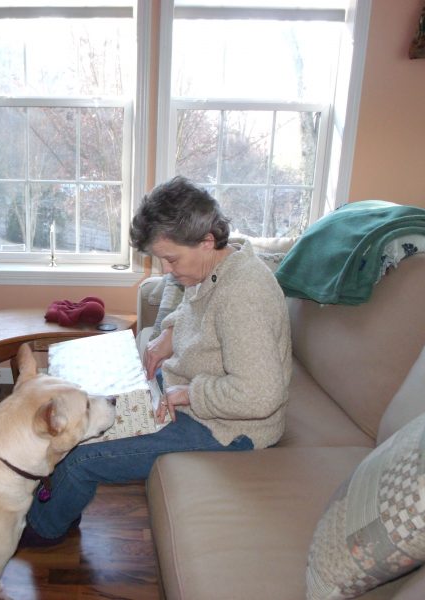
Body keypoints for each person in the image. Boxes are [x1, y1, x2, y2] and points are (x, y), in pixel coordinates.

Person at [20, 176, 292, 547]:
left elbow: (261, 395)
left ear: (206, 240)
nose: (166, 270)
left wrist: (189, 394)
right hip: (190, 390)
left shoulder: (243, 294)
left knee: (82, 456)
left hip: (229, 427)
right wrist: (168, 333)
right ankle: (60, 508)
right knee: (84, 398)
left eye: (170, 258)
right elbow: (195, 308)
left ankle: (41, 527)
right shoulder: (215, 264)